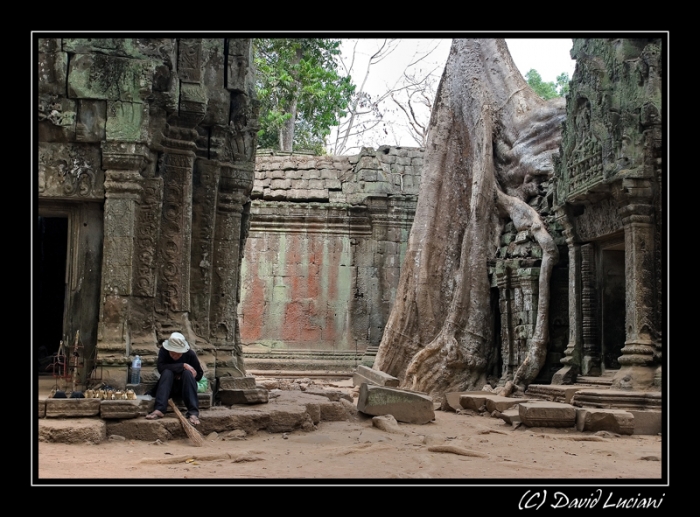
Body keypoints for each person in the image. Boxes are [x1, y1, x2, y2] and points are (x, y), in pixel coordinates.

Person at [146, 332, 203, 426]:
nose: (175, 356)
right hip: (168, 387)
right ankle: (159, 409)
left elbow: (199, 375)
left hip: (184, 388)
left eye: (179, 354)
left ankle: (193, 412)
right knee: (167, 372)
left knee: (187, 373)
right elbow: (161, 368)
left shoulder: (190, 354)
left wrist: (189, 373)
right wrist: (182, 365)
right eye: (173, 354)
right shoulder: (164, 351)